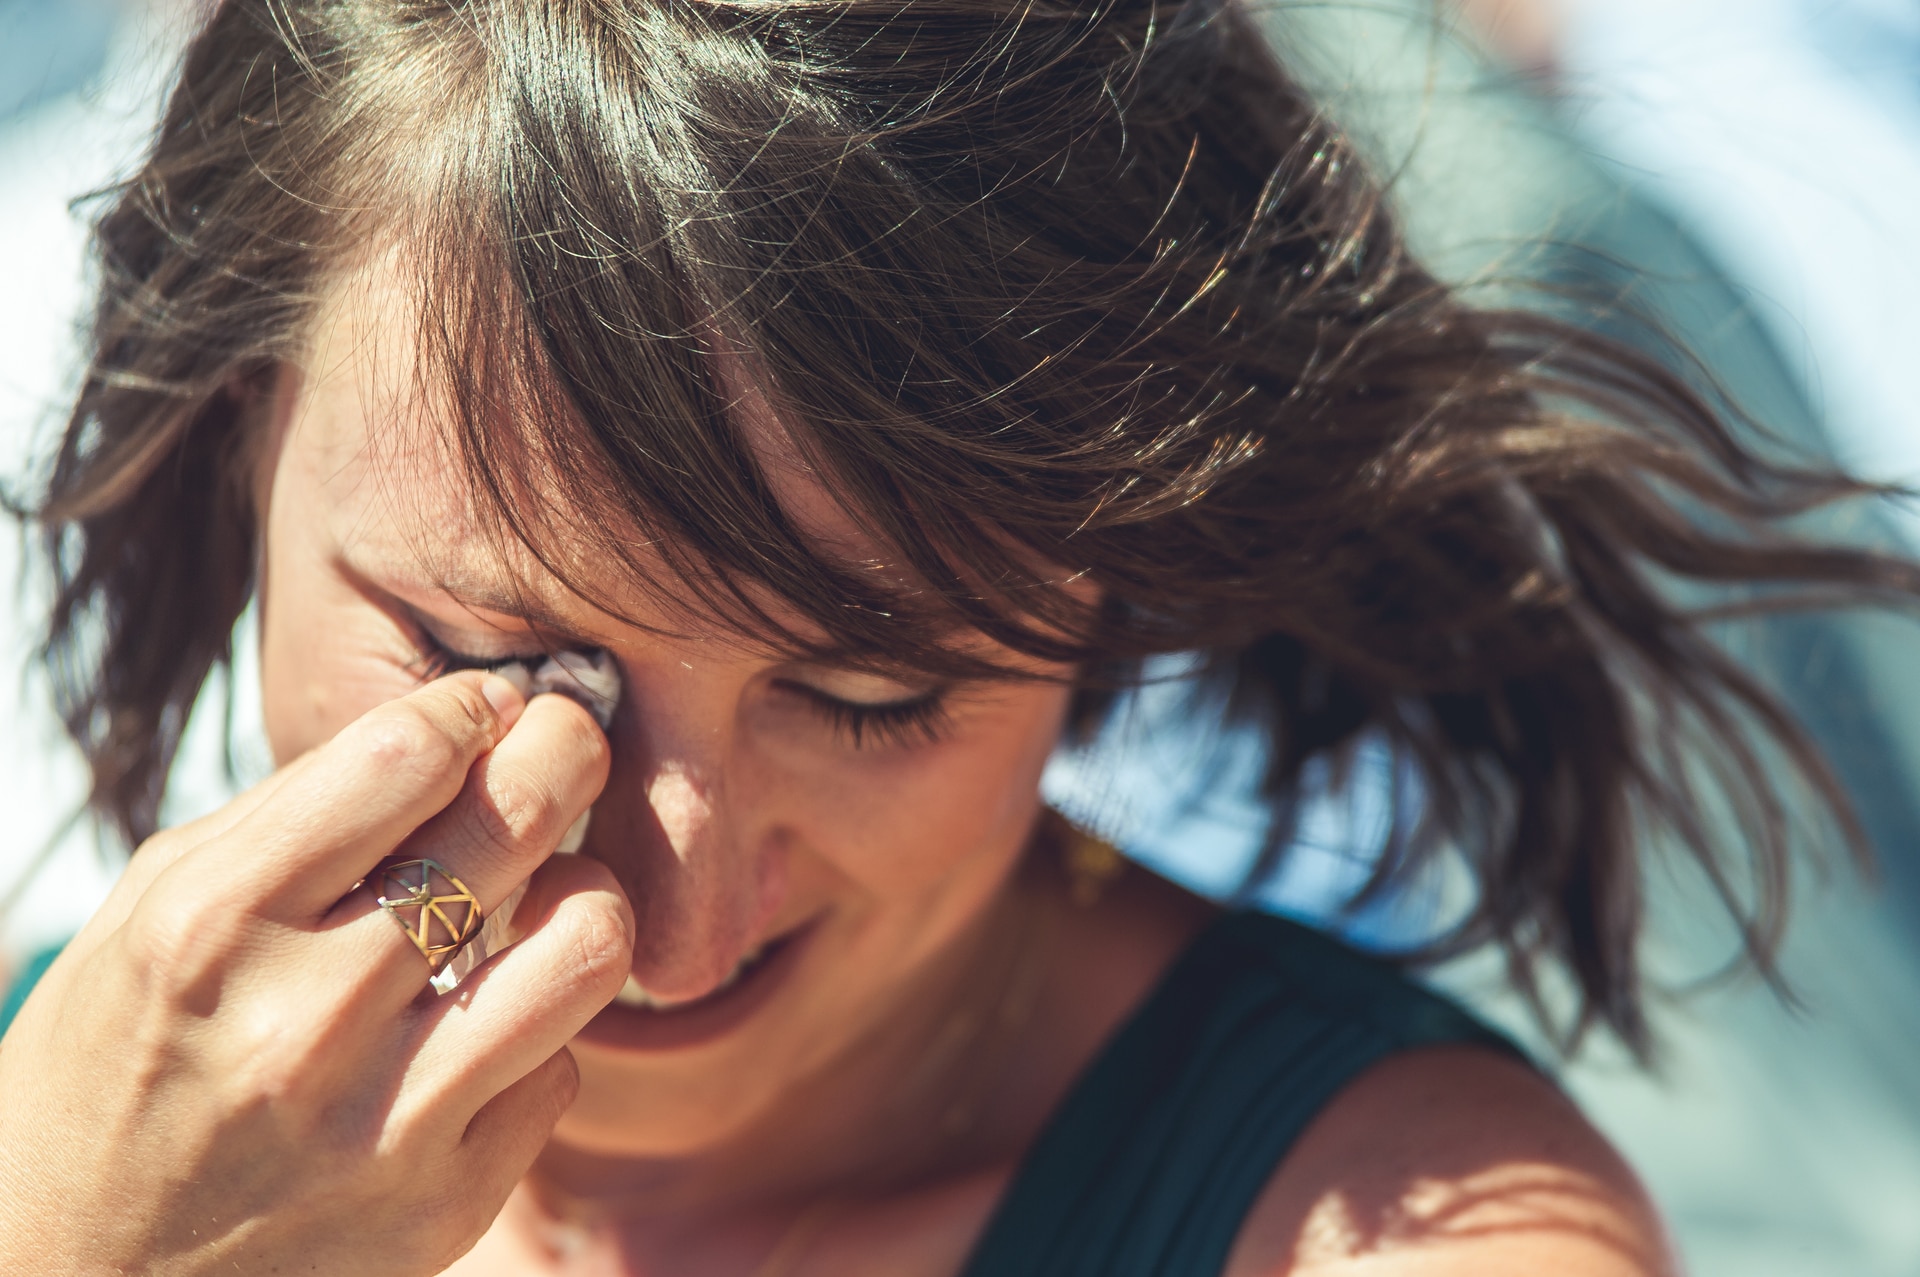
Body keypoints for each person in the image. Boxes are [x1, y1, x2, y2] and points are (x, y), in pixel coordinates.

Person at [0, 1, 1909, 1272]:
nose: (662, 926)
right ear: (234, 433)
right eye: (493, 664)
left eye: (869, 695)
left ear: (1116, 589)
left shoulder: (1401, 1236)